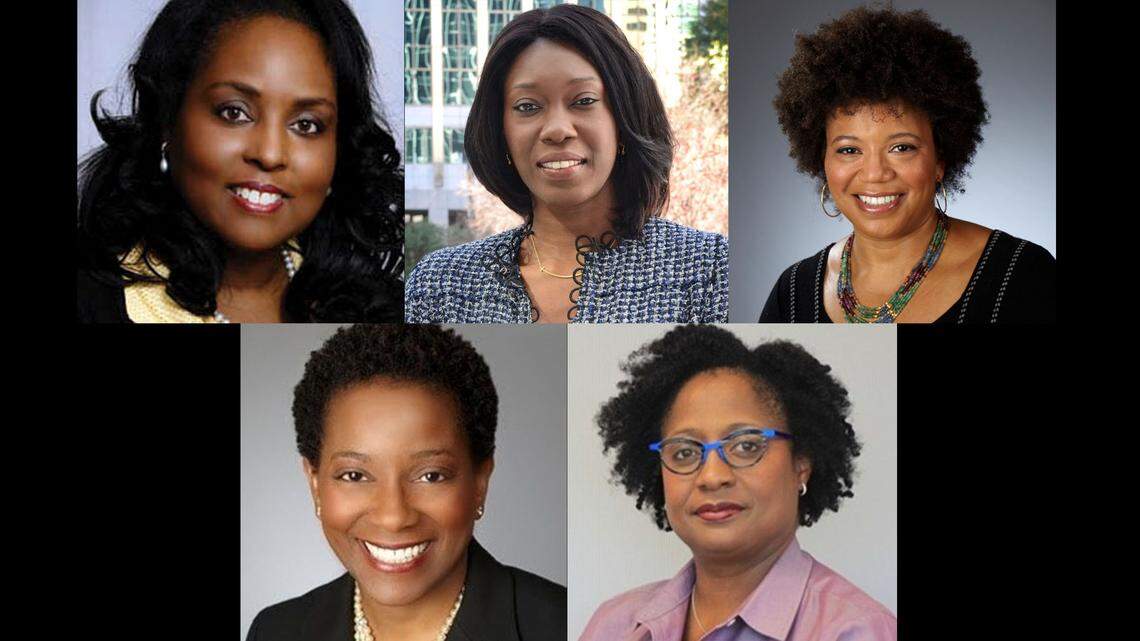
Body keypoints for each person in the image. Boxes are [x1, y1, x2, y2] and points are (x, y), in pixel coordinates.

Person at [77, 0, 403, 323]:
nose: (270, 154)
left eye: (306, 124)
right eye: (234, 112)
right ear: (167, 117)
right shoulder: (90, 300)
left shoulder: (382, 307)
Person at [405, 4, 728, 324]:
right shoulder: (439, 287)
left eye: (584, 101)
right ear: (500, 130)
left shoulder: (710, 271)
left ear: (625, 116)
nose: (557, 130)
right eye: (528, 106)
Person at [246, 324, 565, 641]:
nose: (394, 517)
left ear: (480, 482)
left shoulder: (562, 627)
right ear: (315, 483)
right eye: (354, 475)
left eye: (431, 476)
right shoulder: (276, 630)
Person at [581, 325, 896, 641]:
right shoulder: (614, 625)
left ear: (801, 463)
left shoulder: (858, 631)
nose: (712, 476)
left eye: (746, 445)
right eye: (685, 452)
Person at [759, 6, 1055, 323]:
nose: (874, 173)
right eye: (848, 150)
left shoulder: (1023, 276)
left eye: (902, 147)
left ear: (940, 159)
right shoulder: (792, 291)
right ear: (822, 160)